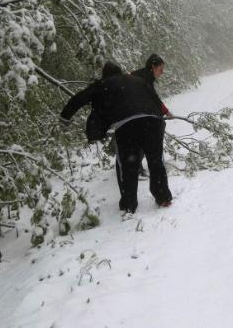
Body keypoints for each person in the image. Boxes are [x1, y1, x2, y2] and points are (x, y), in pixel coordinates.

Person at [60, 62, 174, 214]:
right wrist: (162, 115)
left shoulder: (103, 84)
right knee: (155, 161)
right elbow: (155, 99)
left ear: (105, 75)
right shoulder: (137, 80)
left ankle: (129, 205)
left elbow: (79, 98)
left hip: (127, 125)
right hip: (152, 121)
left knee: (128, 165)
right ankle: (163, 197)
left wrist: (64, 118)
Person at [132, 54, 173, 119]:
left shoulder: (141, 74)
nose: (162, 72)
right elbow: (154, 98)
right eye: (160, 69)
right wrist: (166, 112)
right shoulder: (145, 78)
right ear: (153, 66)